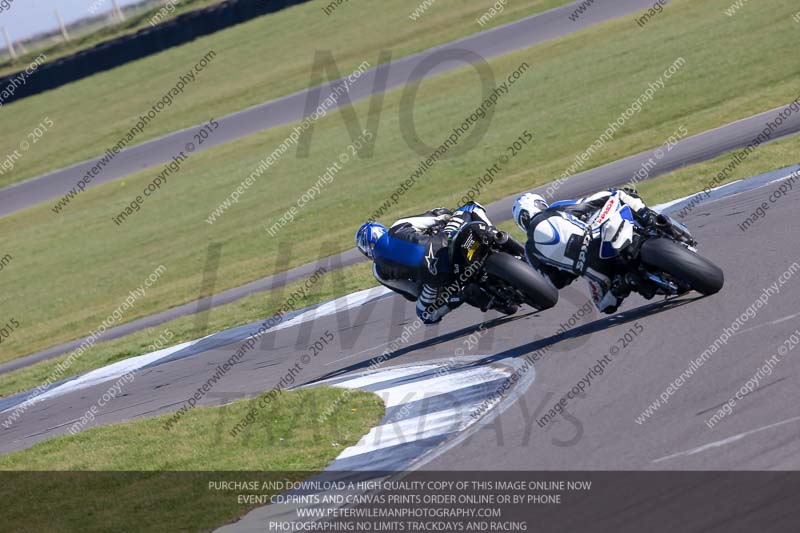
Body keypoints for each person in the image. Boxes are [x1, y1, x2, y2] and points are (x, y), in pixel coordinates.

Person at [512, 188, 660, 314]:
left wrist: (570, 268)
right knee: (620, 193)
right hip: (601, 240)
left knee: (604, 306)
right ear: (539, 205)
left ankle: (629, 281)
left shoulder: (530, 251)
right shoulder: (554, 209)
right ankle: (650, 217)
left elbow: (554, 282)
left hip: (593, 271)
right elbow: (586, 204)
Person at [356, 202, 493, 324]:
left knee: (425, 314)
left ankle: (460, 295)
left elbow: (413, 292)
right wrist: (445, 219)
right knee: (470, 206)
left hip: (435, 280)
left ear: (366, 251)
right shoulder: (398, 226)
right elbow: (438, 216)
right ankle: (495, 236)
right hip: (445, 244)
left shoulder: (378, 271)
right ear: (382, 230)